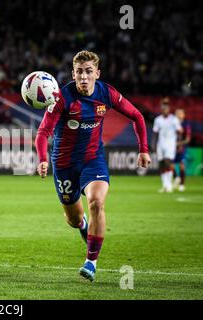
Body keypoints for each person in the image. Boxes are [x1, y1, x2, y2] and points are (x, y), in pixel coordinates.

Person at [35, 50, 151, 282]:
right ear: (73, 74)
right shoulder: (61, 98)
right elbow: (43, 132)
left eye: (89, 72)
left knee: (96, 202)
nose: (84, 77)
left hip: (92, 159)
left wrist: (144, 149)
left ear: (97, 73)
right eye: (79, 72)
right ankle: (84, 226)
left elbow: (137, 116)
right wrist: (42, 158)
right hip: (64, 164)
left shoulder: (107, 94)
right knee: (74, 220)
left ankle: (91, 261)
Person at [152, 98, 182, 193]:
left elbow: (179, 131)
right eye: (163, 108)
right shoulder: (158, 120)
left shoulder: (174, 119)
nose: (164, 110)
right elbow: (155, 133)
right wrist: (153, 144)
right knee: (161, 165)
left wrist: (179, 142)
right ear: (161, 109)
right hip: (160, 144)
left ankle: (169, 184)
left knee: (167, 162)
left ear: (169, 109)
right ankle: (165, 185)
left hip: (170, 144)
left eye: (166, 108)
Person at [173, 108, 192, 192]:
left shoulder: (185, 124)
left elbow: (188, 139)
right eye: (177, 113)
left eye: (180, 113)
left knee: (182, 165)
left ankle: (182, 185)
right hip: (172, 148)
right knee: (169, 164)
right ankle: (176, 177)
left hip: (182, 148)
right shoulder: (172, 124)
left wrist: (180, 144)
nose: (178, 115)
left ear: (183, 115)